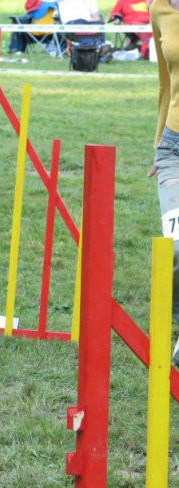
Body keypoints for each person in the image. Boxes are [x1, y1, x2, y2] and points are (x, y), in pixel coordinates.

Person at [149, 0, 179, 367]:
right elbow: (164, 83)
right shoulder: (159, 9)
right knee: (176, 249)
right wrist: (157, 145)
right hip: (173, 148)